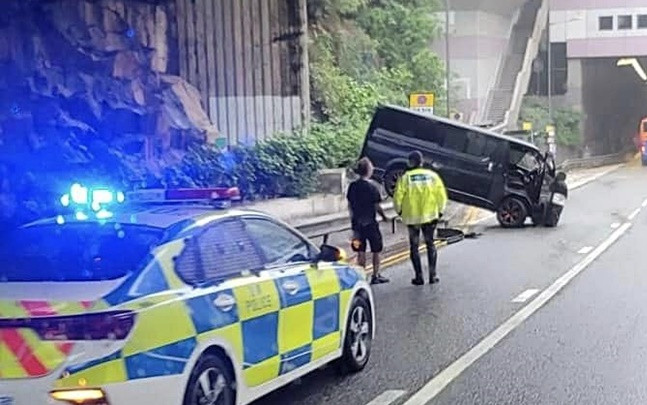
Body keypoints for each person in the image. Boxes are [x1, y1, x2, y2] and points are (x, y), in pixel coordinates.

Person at [394, 151, 448, 286]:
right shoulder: (432, 176)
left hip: (412, 218)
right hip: (430, 217)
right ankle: (432, 275)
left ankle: (419, 276)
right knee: (430, 244)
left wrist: (400, 211)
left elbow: (397, 197)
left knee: (414, 247)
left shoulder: (405, 178)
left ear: (410, 163)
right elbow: (441, 195)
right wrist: (440, 211)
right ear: (422, 162)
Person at [347, 157, 389, 285]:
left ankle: (362, 276)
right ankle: (375, 275)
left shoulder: (352, 186)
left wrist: (353, 221)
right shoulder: (372, 187)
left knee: (360, 251)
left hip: (357, 225)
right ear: (368, 171)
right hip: (371, 224)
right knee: (376, 250)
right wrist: (384, 217)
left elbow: (350, 205)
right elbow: (377, 206)